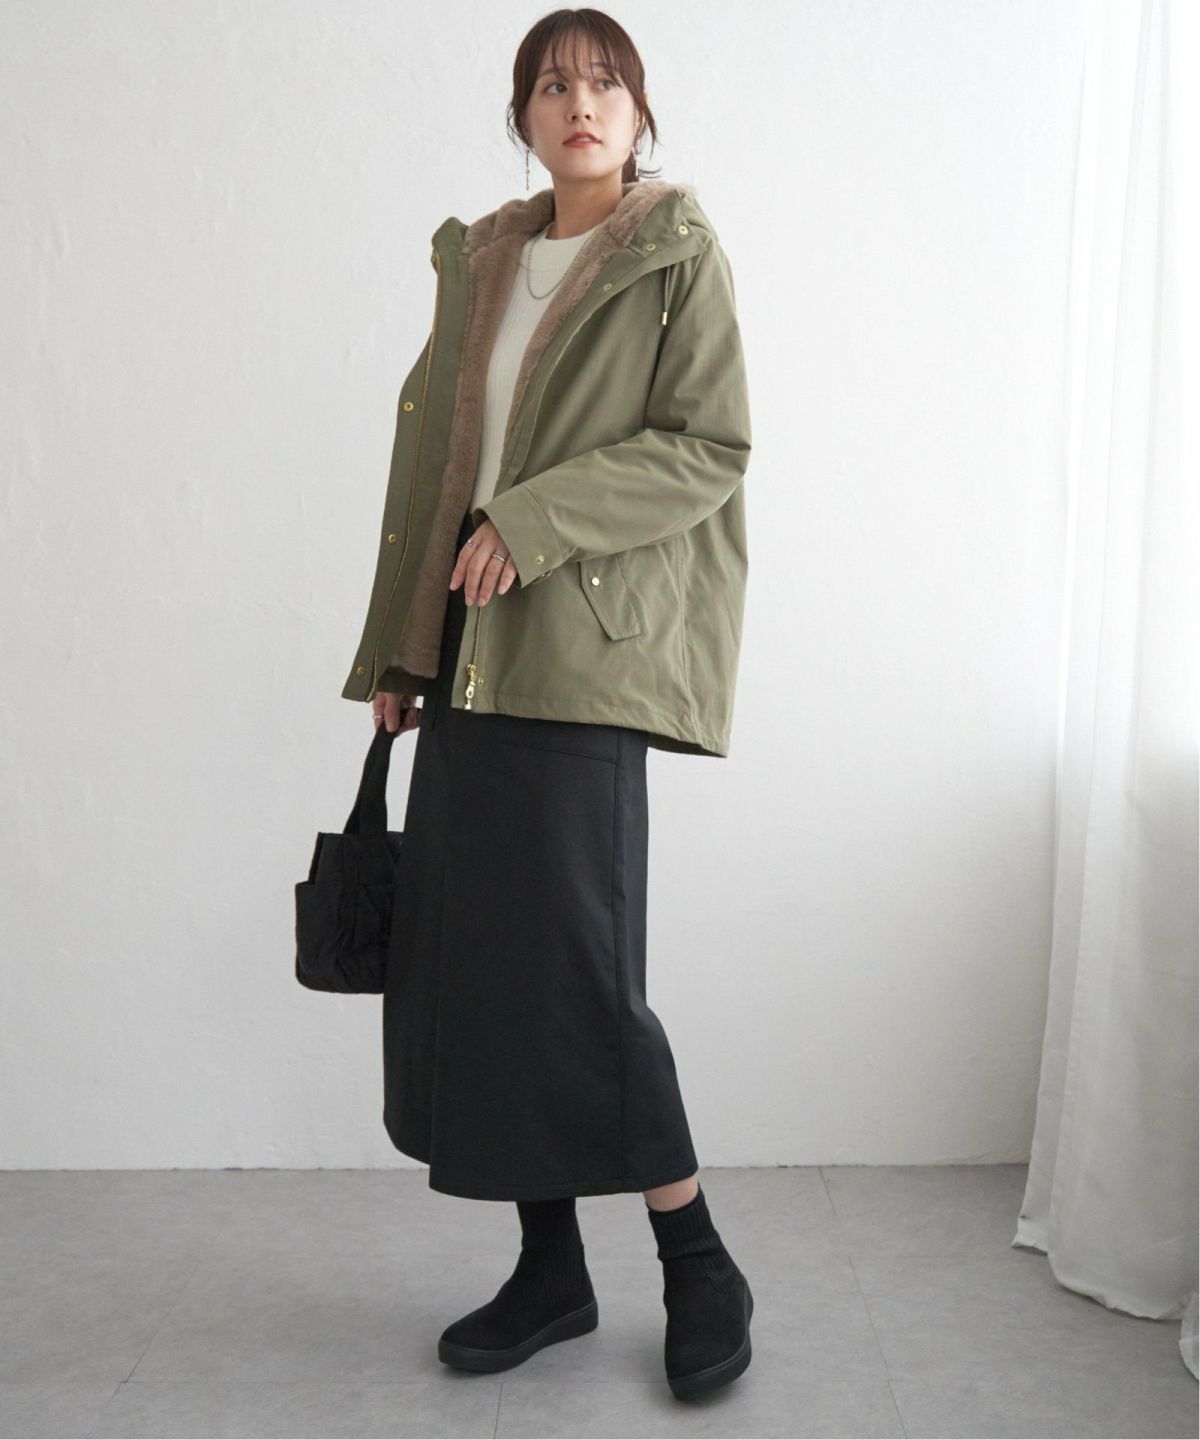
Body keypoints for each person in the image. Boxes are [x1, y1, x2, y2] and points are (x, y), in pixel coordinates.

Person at [339, 8, 753, 1401]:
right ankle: (550, 1270)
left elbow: (707, 447)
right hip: (468, 651)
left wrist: (536, 518)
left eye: (605, 82)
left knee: (582, 970)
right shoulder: (487, 262)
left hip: (581, 649)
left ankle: (699, 1262)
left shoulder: (674, 256)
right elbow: (441, 470)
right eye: (553, 84)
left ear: (641, 112)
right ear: (521, 116)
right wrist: (403, 654)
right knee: (484, 968)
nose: (580, 102)